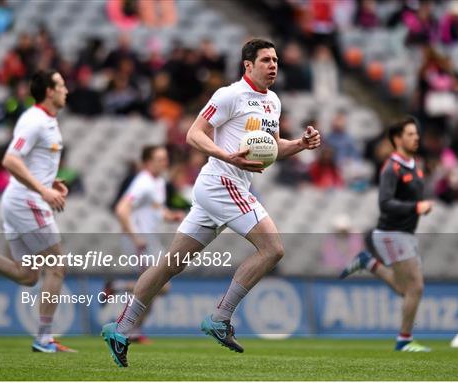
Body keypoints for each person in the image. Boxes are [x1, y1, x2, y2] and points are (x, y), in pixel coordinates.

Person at [101, 38, 321, 367]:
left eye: (275, 60)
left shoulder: (272, 102)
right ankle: (220, 318)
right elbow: (194, 134)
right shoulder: (229, 95)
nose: (273, 65)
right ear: (248, 65)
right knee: (273, 249)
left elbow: (272, 148)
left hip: (220, 189)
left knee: (171, 264)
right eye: (265, 60)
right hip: (221, 183)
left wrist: (301, 144)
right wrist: (225, 155)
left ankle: (120, 328)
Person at [0, 69, 75, 352]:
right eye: (61, 85)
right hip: (27, 201)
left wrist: (50, 182)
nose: (66, 90)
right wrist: (43, 190)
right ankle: (44, 338)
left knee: (28, 275)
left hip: (20, 199)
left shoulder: (48, 121)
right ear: (49, 91)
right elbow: (10, 160)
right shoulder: (34, 120)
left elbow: (30, 162)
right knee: (57, 265)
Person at [339, 116, 433, 352]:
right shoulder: (392, 167)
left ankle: (367, 262)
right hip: (392, 233)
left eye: (416, 134)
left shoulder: (414, 165)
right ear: (397, 139)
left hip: (406, 233)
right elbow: (386, 203)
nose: (416, 138)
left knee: (406, 290)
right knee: (416, 287)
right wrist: (416, 207)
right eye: (410, 134)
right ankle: (404, 341)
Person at [109, 145, 183, 343]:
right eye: (160, 159)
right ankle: (117, 291)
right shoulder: (142, 182)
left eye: (165, 158)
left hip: (150, 239)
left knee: (156, 287)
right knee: (156, 285)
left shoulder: (157, 181)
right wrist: (135, 237)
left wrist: (171, 215)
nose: (165, 162)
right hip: (140, 240)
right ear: (148, 162)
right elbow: (121, 209)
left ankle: (134, 330)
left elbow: (157, 208)